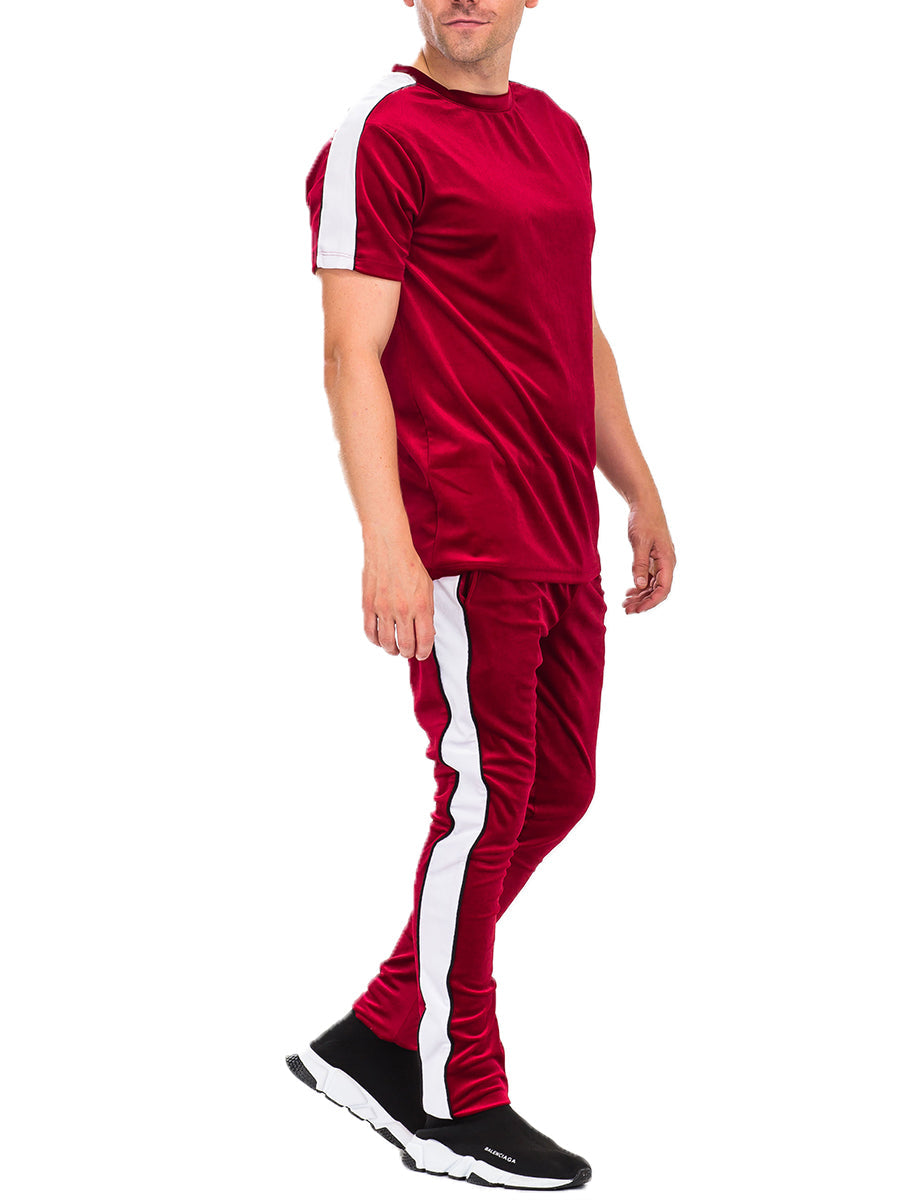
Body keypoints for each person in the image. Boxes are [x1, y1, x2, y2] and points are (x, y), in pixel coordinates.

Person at [287, 0, 676, 1189]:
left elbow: (575, 326)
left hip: (558, 522)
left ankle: (376, 1032)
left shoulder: (557, 132)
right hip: (461, 524)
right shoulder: (384, 132)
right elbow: (350, 348)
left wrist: (638, 488)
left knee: (558, 786)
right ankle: (451, 1098)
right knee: (487, 794)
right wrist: (387, 544)